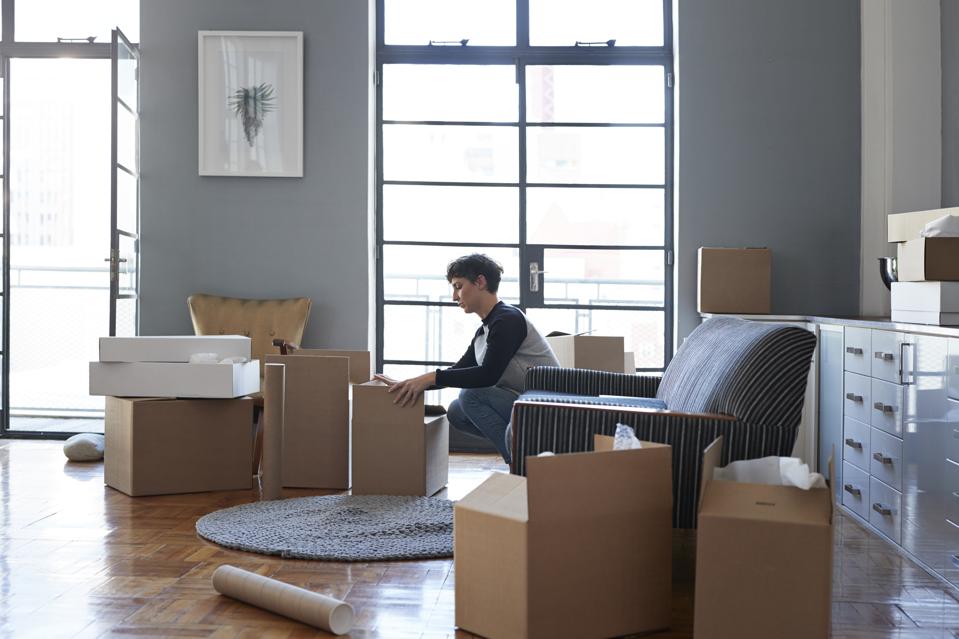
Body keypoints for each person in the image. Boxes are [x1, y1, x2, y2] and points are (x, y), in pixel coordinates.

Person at [376, 254, 559, 465]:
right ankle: (524, 452)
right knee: (456, 411)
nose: (454, 296)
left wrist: (429, 378)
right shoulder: (486, 330)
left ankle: (520, 463)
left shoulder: (508, 319)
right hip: (524, 402)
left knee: (471, 396)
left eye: (458, 286)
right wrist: (411, 384)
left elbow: (487, 375)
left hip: (548, 408)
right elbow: (459, 371)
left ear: (480, 282)